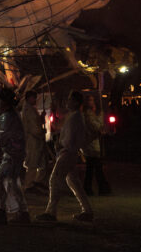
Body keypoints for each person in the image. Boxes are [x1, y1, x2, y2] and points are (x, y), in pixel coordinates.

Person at [36, 91, 93, 222]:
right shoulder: (74, 116)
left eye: (69, 100)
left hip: (67, 152)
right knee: (74, 183)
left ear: (76, 102)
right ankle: (87, 211)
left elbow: (69, 138)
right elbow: (60, 126)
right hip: (69, 152)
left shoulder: (75, 118)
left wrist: (60, 144)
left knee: (55, 180)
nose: (67, 102)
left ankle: (51, 212)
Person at [0, 88, 30, 225]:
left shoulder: (7, 116)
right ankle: (22, 213)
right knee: (12, 182)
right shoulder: (9, 115)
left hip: (12, 155)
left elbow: (2, 138)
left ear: (4, 102)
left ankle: (3, 212)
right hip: (15, 154)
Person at [83, 95, 111, 196]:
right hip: (91, 145)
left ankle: (89, 188)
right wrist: (101, 116)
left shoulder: (92, 114)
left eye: (93, 100)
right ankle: (102, 188)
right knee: (96, 167)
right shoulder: (88, 114)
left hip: (93, 144)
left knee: (91, 168)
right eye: (90, 100)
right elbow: (96, 126)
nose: (92, 102)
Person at [21, 90, 48, 194]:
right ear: (28, 98)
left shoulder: (31, 109)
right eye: (34, 98)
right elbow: (33, 127)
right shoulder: (28, 110)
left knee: (40, 162)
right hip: (32, 140)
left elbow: (36, 123)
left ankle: (36, 181)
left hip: (35, 140)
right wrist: (41, 132)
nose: (35, 100)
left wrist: (41, 117)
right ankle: (29, 184)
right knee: (32, 163)